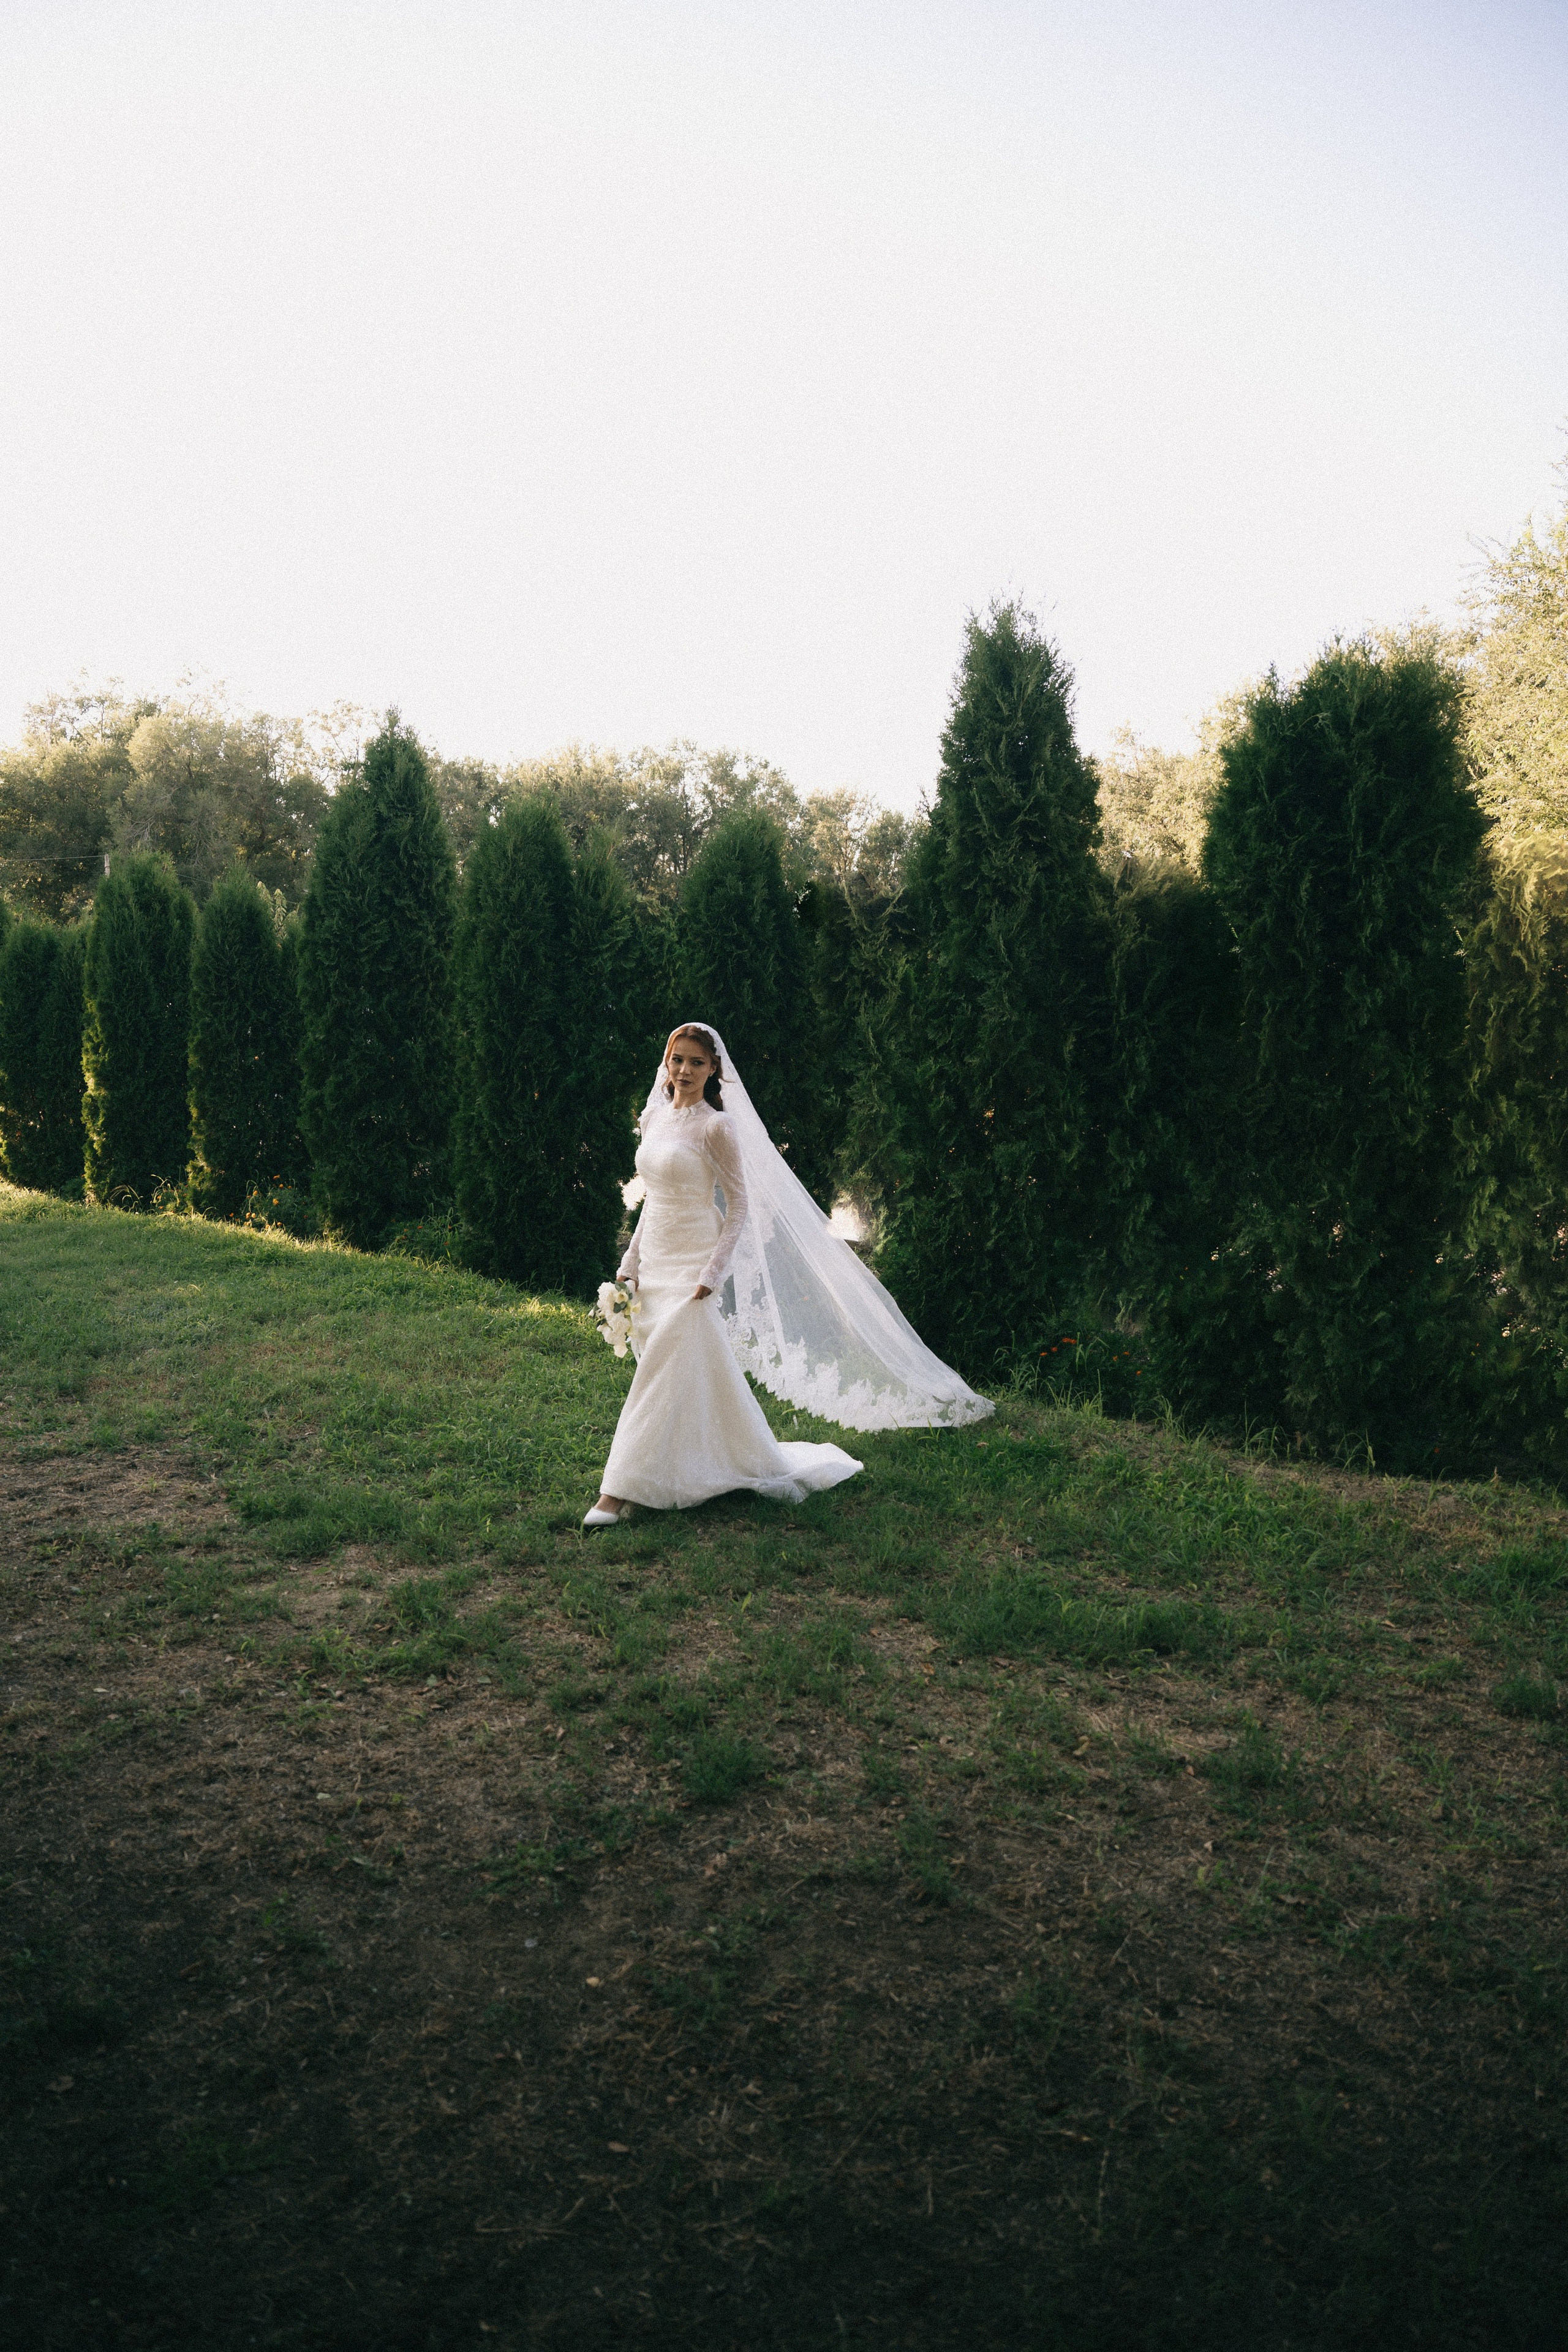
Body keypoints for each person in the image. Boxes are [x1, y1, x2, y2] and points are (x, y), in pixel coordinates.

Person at [584, 1022, 991, 1527]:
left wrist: (714, 1273)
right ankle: (717, 1459)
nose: (684, 1071)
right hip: (658, 1264)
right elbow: (654, 1199)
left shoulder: (717, 1127)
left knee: (659, 1369)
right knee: (685, 1373)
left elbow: (738, 1208)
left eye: (695, 1062)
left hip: (695, 1266)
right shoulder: (656, 1120)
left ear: (714, 1070)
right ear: (665, 1065)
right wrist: (629, 1265)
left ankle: (616, 1493)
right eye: (677, 1060)